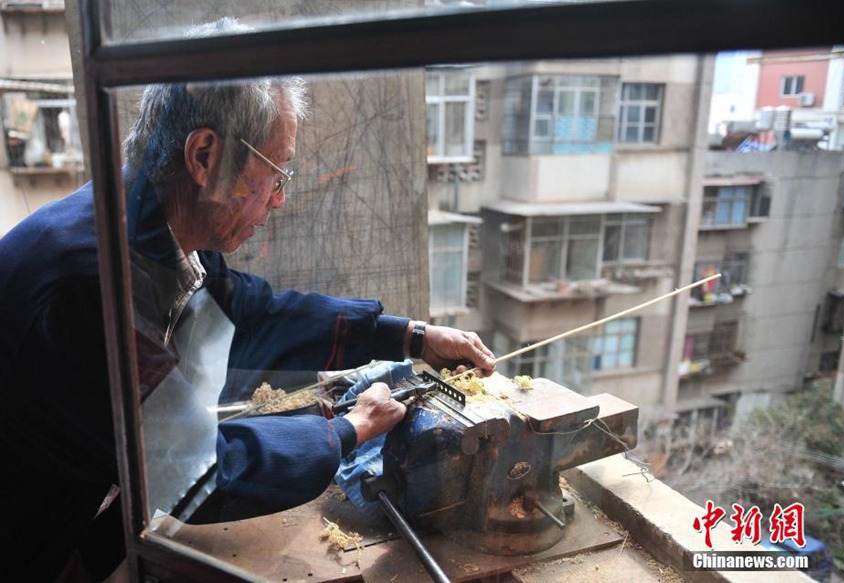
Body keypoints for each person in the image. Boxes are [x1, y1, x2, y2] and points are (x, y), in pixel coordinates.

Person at [0, 19, 496, 581]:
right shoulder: (89, 294)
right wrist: (348, 428)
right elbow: (197, 474)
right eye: (276, 173)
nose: (278, 201)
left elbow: (247, 313)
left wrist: (410, 336)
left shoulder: (147, 220)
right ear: (205, 157)